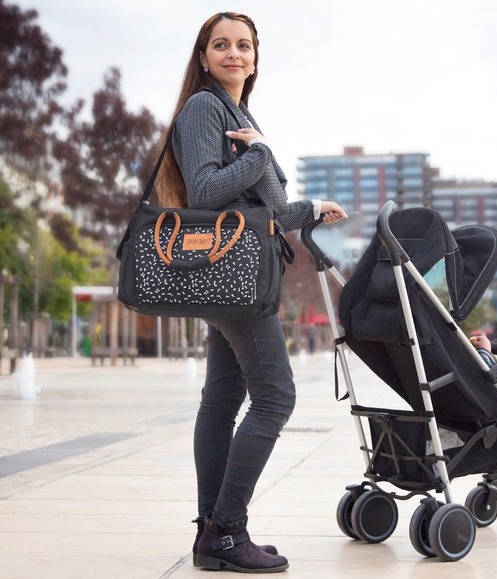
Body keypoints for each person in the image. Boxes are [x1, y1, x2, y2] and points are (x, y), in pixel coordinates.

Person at [156, 12, 348, 574]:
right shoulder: (204, 107)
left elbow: (253, 214)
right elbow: (209, 191)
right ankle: (226, 529)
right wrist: (262, 154)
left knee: (221, 399)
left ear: (256, 58)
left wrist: (309, 209)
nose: (233, 54)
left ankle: (210, 534)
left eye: (244, 46)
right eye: (221, 45)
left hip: (235, 271)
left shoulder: (238, 112)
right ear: (203, 56)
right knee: (274, 396)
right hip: (231, 279)